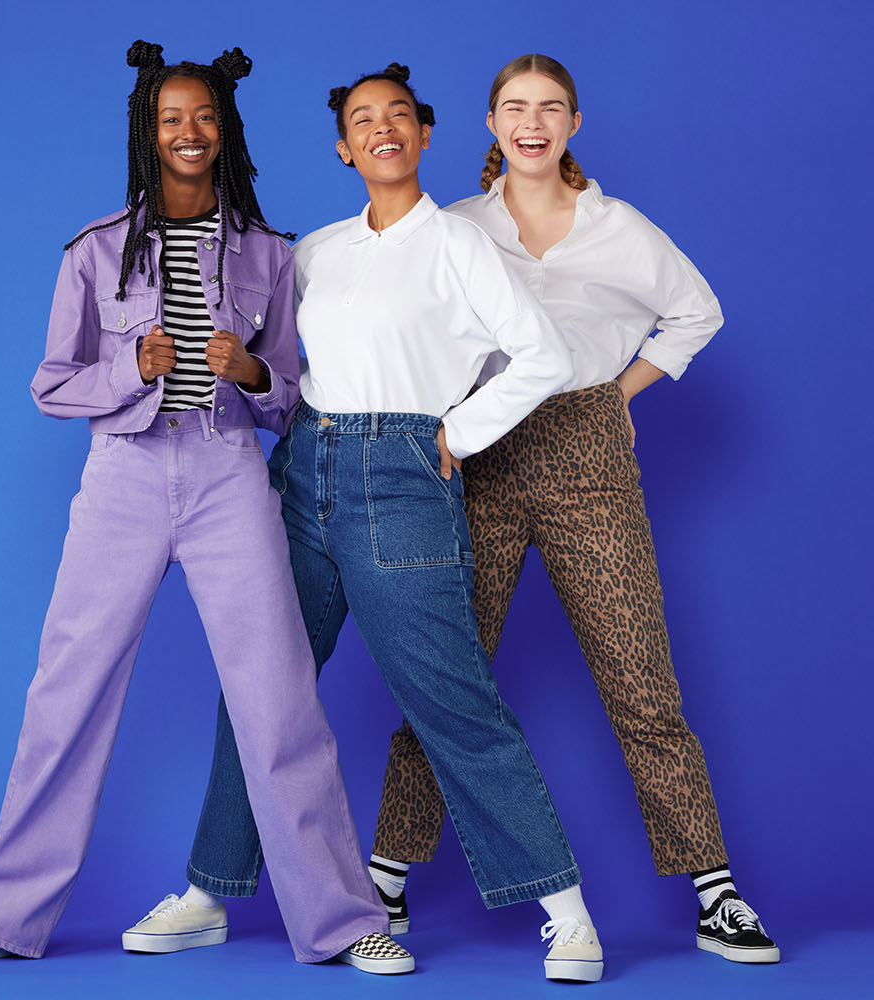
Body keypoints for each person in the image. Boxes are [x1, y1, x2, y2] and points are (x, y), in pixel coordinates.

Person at [0, 40, 410, 975]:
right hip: (124, 478)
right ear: (147, 131)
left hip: (228, 475)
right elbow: (51, 385)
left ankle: (344, 922)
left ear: (226, 132)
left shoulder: (271, 254)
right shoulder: (94, 250)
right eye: (171, 117)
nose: (189, 131)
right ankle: (0, 917)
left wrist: (251, 370)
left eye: (205, 116)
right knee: (67, 692)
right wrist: (127, 368)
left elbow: (291, 399)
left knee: (279, 698)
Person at [156, 63, 607, 984]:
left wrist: (456, 434)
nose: (382, 129)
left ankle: (567, 915)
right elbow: (276, 368)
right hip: (303, 468)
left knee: (454, 699)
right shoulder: (317, 252)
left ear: (424, 134)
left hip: (401, 477)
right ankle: (208, 891)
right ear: (343, 148)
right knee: (261, 687)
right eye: (363, 120)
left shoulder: (459, 243)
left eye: (398, 115)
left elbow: (545, 356)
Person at [367, 53, 780, 966]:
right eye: (515, 108)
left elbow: (697, 312)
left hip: (587, 452)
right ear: (490, 123)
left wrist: (619, 395)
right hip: (477, 451)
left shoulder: (618, 228)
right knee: (445, 673)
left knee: (642, 679)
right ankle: (385, 877)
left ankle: (716, 895)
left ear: (574, 124)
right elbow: (408, 331)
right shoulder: (457, 227)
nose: (533, 123)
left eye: (550, 108)